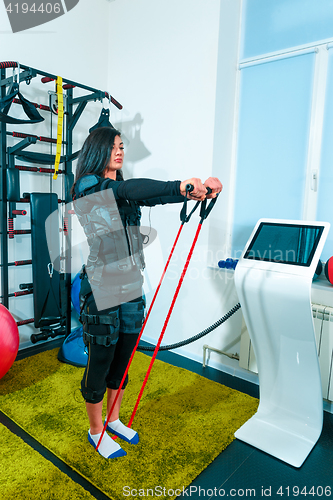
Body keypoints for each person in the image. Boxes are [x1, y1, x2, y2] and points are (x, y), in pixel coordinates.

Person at [71, 126, 222, 459]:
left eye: (122, 146)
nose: (120, 151)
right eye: (114, 147)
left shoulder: (121, 189)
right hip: (101, 287)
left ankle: (113, 419)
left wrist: (190, 193)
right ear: (98, 151)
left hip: (130, 284)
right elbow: (127, 189)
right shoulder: (88, 187)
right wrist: (178, 186)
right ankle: (96, 431)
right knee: (101, 360)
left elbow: (145, 194)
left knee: (124, 358)